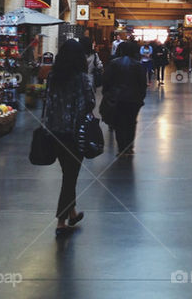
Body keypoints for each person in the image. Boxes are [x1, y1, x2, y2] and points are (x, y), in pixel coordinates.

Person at [41, 40, 94, 237]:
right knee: (70, 177)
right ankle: (61, 221)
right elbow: (89, 102)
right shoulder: (81, 78)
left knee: (67, 172)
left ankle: (72, 213)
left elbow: (47, 101)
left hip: (55, 131)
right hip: (74, 132)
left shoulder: (53, 76)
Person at [101, 41, 146, 156]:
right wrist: (141, 97)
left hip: (117, 98)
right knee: (131, 122)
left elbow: (106, 81)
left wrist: (106, 94)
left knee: (119, 123)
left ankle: (121, 148)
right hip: (133, 99)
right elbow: (142, 83)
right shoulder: (138, 65)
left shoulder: (113, 63)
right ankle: (129, 147)